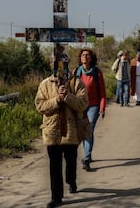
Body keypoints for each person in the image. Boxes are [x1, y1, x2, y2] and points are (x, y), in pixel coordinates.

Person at [35, 59, 88, 208]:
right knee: (54, 165)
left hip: (70, 130)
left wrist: (67, 97)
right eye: (55, 63)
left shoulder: (75, 83)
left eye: (61, 64)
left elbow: (83, 103)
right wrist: (56, 100)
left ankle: (71, 180)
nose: (58, 67)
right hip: (52, 131)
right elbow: (40, 105)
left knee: (71, 161)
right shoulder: (45, 84)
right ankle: (56, 197)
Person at [74, 49, 107, 171]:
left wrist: (102, 107)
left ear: (91, 57)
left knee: (89, 128)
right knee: (83, 130)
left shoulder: (97, 72)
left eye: (87, 55)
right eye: (83, 55)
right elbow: (72, 90)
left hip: (93, 105)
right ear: (80, 57)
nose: (85, 57)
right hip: (79, 105)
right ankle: (88, 153)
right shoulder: (76, 72)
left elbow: (102, 92)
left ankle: (86, 158)